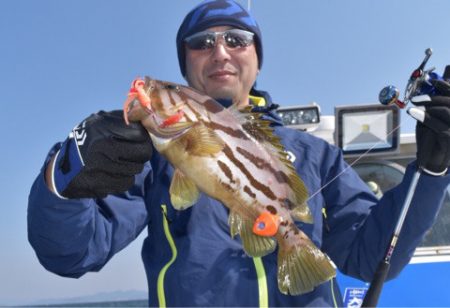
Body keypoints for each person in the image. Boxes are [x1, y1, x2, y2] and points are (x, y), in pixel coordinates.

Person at [28, 0, 450, 306]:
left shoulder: (315, 154)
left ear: (257, 59)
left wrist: (431, 172)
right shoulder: (149, 157)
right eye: (201, 42)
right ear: (186, 65)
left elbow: (372, 257)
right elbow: (72, 253)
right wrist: (64, 177)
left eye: (237, 39)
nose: (220, 51)